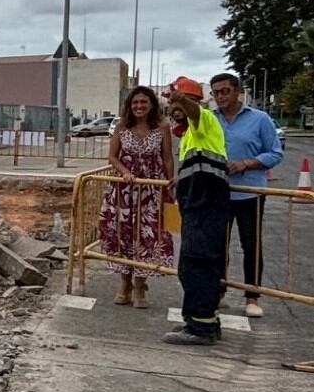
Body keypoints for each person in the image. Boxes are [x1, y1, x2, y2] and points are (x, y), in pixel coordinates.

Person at [165, 76, 231, 346]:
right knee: (199, 264)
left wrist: (179, 97)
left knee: (196, 264)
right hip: (201, 204)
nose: (173, 110)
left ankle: (200, 327)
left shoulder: (203, 118)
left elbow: (194, 112)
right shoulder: (193, 133)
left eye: (177, 105)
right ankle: (205, 322)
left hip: (205, 205)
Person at [210, 72, 282, 318]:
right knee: (218, 245)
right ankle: (218, 292)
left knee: (251, 244)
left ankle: (252, 296)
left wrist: (247, 163)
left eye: (225, 91)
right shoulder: (211, 119)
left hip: (250, 193)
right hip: (219, 192)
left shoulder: (260, 119)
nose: (220, 96)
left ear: (237, 91)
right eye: (216, 92)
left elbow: (275, 152)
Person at [98, 86, 174, 308]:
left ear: (152, 104)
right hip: (125, 190)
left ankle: (141, 284)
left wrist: (170, 183)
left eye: (143, 102)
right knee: (123, 234)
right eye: (135, 103)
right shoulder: (122, 126)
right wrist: (125, 172)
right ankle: (124, 283)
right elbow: (112, 156)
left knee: (148, 237)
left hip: (151, 190)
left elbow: (167, 158)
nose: (139, 106)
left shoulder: (162, 127)